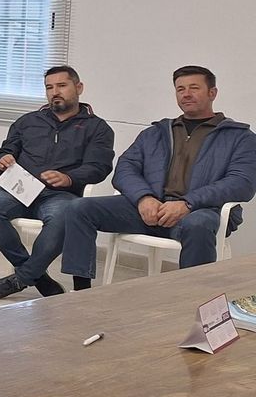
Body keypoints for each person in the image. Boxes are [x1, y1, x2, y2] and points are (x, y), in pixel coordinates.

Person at [62, 66, 256, 284]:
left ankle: (192, 299)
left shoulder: (240, 137)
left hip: (200, 212)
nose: (186, 94)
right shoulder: (156, 133)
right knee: (79, 208)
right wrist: (143, 198)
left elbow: (242, 183)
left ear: (213, 93)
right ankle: (81, 290)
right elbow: (126, 167)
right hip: (149, 209)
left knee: (199, 225)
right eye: (180, 89)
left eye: (194, 88)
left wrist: (188, 203)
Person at [0, 65, 115, 300]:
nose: (55, 92)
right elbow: (5, 149)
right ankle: (36, 275)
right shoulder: (28, 121)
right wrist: (2, 158)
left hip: (60, 194)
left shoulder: (97, 128)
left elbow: (99, 167)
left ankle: (20, 279)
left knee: (64, 216)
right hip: (20, 189)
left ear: (78, 88)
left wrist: (69, 177)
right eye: (49, 88)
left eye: (62, 86)